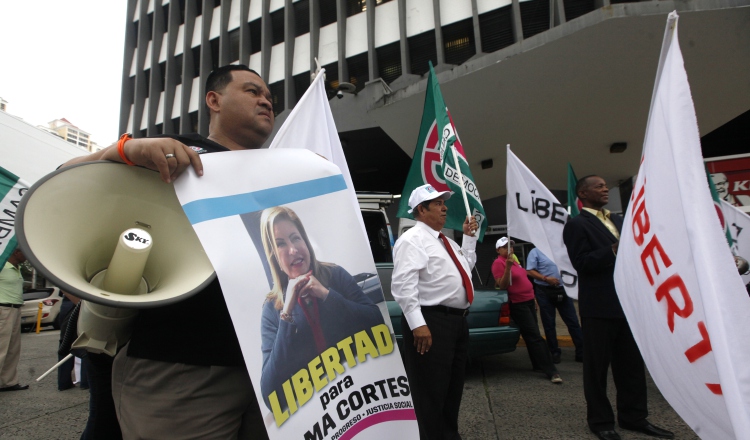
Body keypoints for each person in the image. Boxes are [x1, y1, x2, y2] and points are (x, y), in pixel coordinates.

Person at [63, 64, 274, 439]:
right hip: (180, 365)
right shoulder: (173, 151)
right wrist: (124, 150)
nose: (265, 101)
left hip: (267, 369)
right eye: (252, 91)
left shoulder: (280, 171)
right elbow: (64, 177)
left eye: (269, 97)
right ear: (214, 100)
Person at [563, 175, 673, 440]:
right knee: (597, 368)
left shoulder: (620, 220)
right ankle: (601, 422)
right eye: (599, 186)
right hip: (599, 307)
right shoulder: (577, 225)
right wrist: (612, 250)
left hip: (629, 305)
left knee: (632, 366)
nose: (605, 189)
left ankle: (634, 417)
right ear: (583, 193)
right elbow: (582, 262)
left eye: (606, 185)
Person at [259, 206, 384, 409]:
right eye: (281, 244)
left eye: (295, 238)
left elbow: (376, 321)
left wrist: (327, 296)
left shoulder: (335, 275)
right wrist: (287, 313)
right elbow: (269, 395)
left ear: (305, 241)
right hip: (319, 414)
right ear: (274, 256)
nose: (293, 249)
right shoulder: (272, 308)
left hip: (360, 394)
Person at [391, 183, 478, 440]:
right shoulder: (412, 240)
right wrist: (418, 324)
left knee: (452, 388)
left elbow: (465, 269)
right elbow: (403, 285)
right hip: (432, 321)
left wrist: (469, 239)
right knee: (430, 391)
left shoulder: (446, 242)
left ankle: (449, 435)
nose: (445, 208)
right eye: (438, 204)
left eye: (444, 203)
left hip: (456, 323)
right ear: (421, 209)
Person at [492, 238, 562, 384]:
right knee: (535, 336)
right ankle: (551, 370)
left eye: (510, 246)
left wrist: (533, 297)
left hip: (529, 301)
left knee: (532, 335)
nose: (509, 249)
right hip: (518, 304)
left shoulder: (515, 261)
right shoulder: (499, 263)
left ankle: (538, 364)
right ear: (498, 250)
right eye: (505, 247)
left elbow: (524, 280)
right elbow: (502, 285)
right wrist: (508, 268)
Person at [525, 247, 584, 364]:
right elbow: (529, 270)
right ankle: (554, 352)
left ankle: (581, 352)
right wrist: (545, 279)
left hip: (563, 289)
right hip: (544, 290)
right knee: (549, 324)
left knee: (573, 322)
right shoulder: (535, 251)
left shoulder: (561, 249)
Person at [0, 247, 29, 392]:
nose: (26, 257)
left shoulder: (16, 268)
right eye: (24, 253)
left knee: (13, 348)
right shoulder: (2, 265)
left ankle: (8, 381)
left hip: (16, 309)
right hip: (3, 308)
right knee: (1, 348)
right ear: (16, 252)